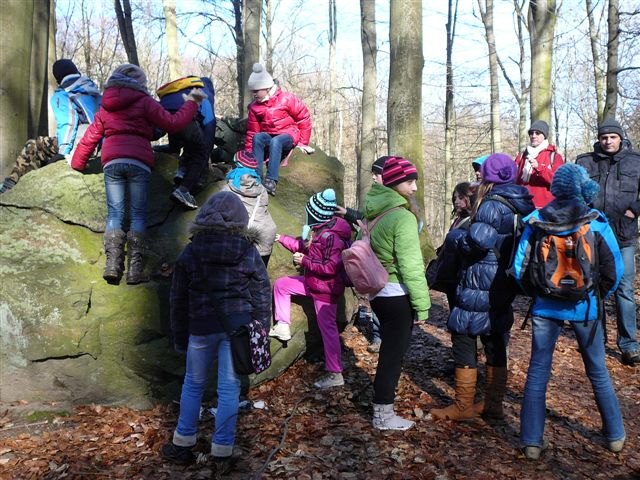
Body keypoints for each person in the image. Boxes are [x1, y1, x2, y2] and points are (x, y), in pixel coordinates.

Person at [512, 163, 626, 459]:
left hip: (545, 307)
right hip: (586, 308)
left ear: (556, 189)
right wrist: (596, 296)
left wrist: (540, 293)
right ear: (583, 188)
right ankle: (614, 435)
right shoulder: (596, 222)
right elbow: (615, 271)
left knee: (538, 371)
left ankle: (531, 441)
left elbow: (519, 267)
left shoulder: (537, 220)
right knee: (598, 369)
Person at [161, 191, 271, 470]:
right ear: (241, 219)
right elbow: (261, 294)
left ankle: (182, 444)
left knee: (192, 385)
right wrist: (261, 332)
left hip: (200, 327)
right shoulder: (248, 251)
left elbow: (178, 299)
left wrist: (179, 337)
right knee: (229, 388)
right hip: (237, 329)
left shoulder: (191, 251)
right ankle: (222, 450)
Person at [71, 64, 205, 285]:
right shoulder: (145, 102)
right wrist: (192, 101)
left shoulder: (106, 106)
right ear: (140, 83)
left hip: (112, 162)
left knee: (115, 215)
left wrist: (78, 163)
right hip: (138, 162)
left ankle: (112, 266)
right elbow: (173, 124)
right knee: (138, 216)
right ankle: (134, 271)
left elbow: (90, 137)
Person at [430, 153, 534, 422]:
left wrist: (455, 237)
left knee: (464, 333)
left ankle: (463, 406)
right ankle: (493, 404)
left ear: (489, 177)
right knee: (495, 336)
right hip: (503, 280)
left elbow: (477, 243)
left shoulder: (492, 204)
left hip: (480, 280)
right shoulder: (521, 201)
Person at [364, 156, 431, 431]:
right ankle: (383, 414)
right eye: (410, 181)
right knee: (393, 355)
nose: (414, 187)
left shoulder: (374, 210)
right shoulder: (402, 217)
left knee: (389, 351)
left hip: (378, 292)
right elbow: (411, 266)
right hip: (396, 293)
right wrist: (423, 305)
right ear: (395, 182)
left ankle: (382, 408)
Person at [269, 188, 352, 389]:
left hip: (326, 291)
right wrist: (281, 238)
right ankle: (283, 325)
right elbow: (303, 245)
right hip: (313, 283)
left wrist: (305, 261)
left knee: (328, 331)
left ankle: (335, 374)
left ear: (316, 214)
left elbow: (330, 267)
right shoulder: (320, 230)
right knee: (281, 285)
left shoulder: (332, 237)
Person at [576, 119, 640, 366]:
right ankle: (596, 340)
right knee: (594, 286)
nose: (608, 141)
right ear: (599, 139)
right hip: (593, 236)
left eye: (613, 137)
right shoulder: (585, 162)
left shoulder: (635, 161)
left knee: (624, 288)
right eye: (604, 137)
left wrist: (634, 210)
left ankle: (629, 344)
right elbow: (576, 192)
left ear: (621, 138)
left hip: (624, 235)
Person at [0, 59, 101, 194]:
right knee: (44, 149)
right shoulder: (93, 91)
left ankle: (10, 185)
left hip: (82, 143)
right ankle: (30, 182)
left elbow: (68, 122)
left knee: (34, 145)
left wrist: (63, 153)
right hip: (99, 142)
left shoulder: (63, 94)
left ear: (58, 78)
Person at [336, 155, 391, 353]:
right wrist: (347, 213)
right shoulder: (377, 198)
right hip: (373, 259)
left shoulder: (395, 201)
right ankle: (378, 337)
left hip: (388, 261)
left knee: (387, 299)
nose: (374, 178)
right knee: (376, 298)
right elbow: (366, 218)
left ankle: (388, 339)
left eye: (377, 174)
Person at [245, 63, 313, 196]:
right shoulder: (254, 107)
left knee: (276, 141)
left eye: (256, 91)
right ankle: (256, 176)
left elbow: (303, 117)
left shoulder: (286, 98)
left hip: (289, 134)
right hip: (269, 134)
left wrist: (303, 143)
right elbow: (253, 131)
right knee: (258, 138)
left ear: (266, 87)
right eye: (252, 91)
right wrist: (248, 155)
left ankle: (271, 180)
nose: (254, 94)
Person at [156, 76, 217, 210]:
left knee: (185, 134)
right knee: (200, 151)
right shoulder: (202, 93)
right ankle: (183, 190)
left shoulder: (181, 88)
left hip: (162, 112)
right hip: (184, 117)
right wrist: (206, 154)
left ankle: (180, 168)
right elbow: (209, 125)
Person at [221, 150, 277, 267]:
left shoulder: (227, 188)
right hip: (264, 236)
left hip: (240, 237)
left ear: (236, 165)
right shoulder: (261, 189)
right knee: (257, 274)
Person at [514, 120, 565, 208]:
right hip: (522, 205)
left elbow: (558, 181)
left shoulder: (554, 156)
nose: (534, 136)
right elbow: (515, 179)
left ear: (544, 136)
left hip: (545, 207)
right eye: (531, 133)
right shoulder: (522, 155)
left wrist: (539, 168)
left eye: (537, 133)